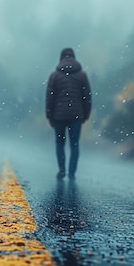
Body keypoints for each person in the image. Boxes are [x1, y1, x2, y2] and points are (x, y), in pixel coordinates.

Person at [45, 47, 92, 179]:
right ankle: (72, 173)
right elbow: (87, 97)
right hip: (76, 115)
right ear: (74, 57)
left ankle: (61, 170)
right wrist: (86, 115)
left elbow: (50, 97)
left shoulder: (54, 76)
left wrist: (49, 115)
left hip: (58, 116)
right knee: (74, 144)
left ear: (61, 58)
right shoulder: (82, 75)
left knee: (60, 143)